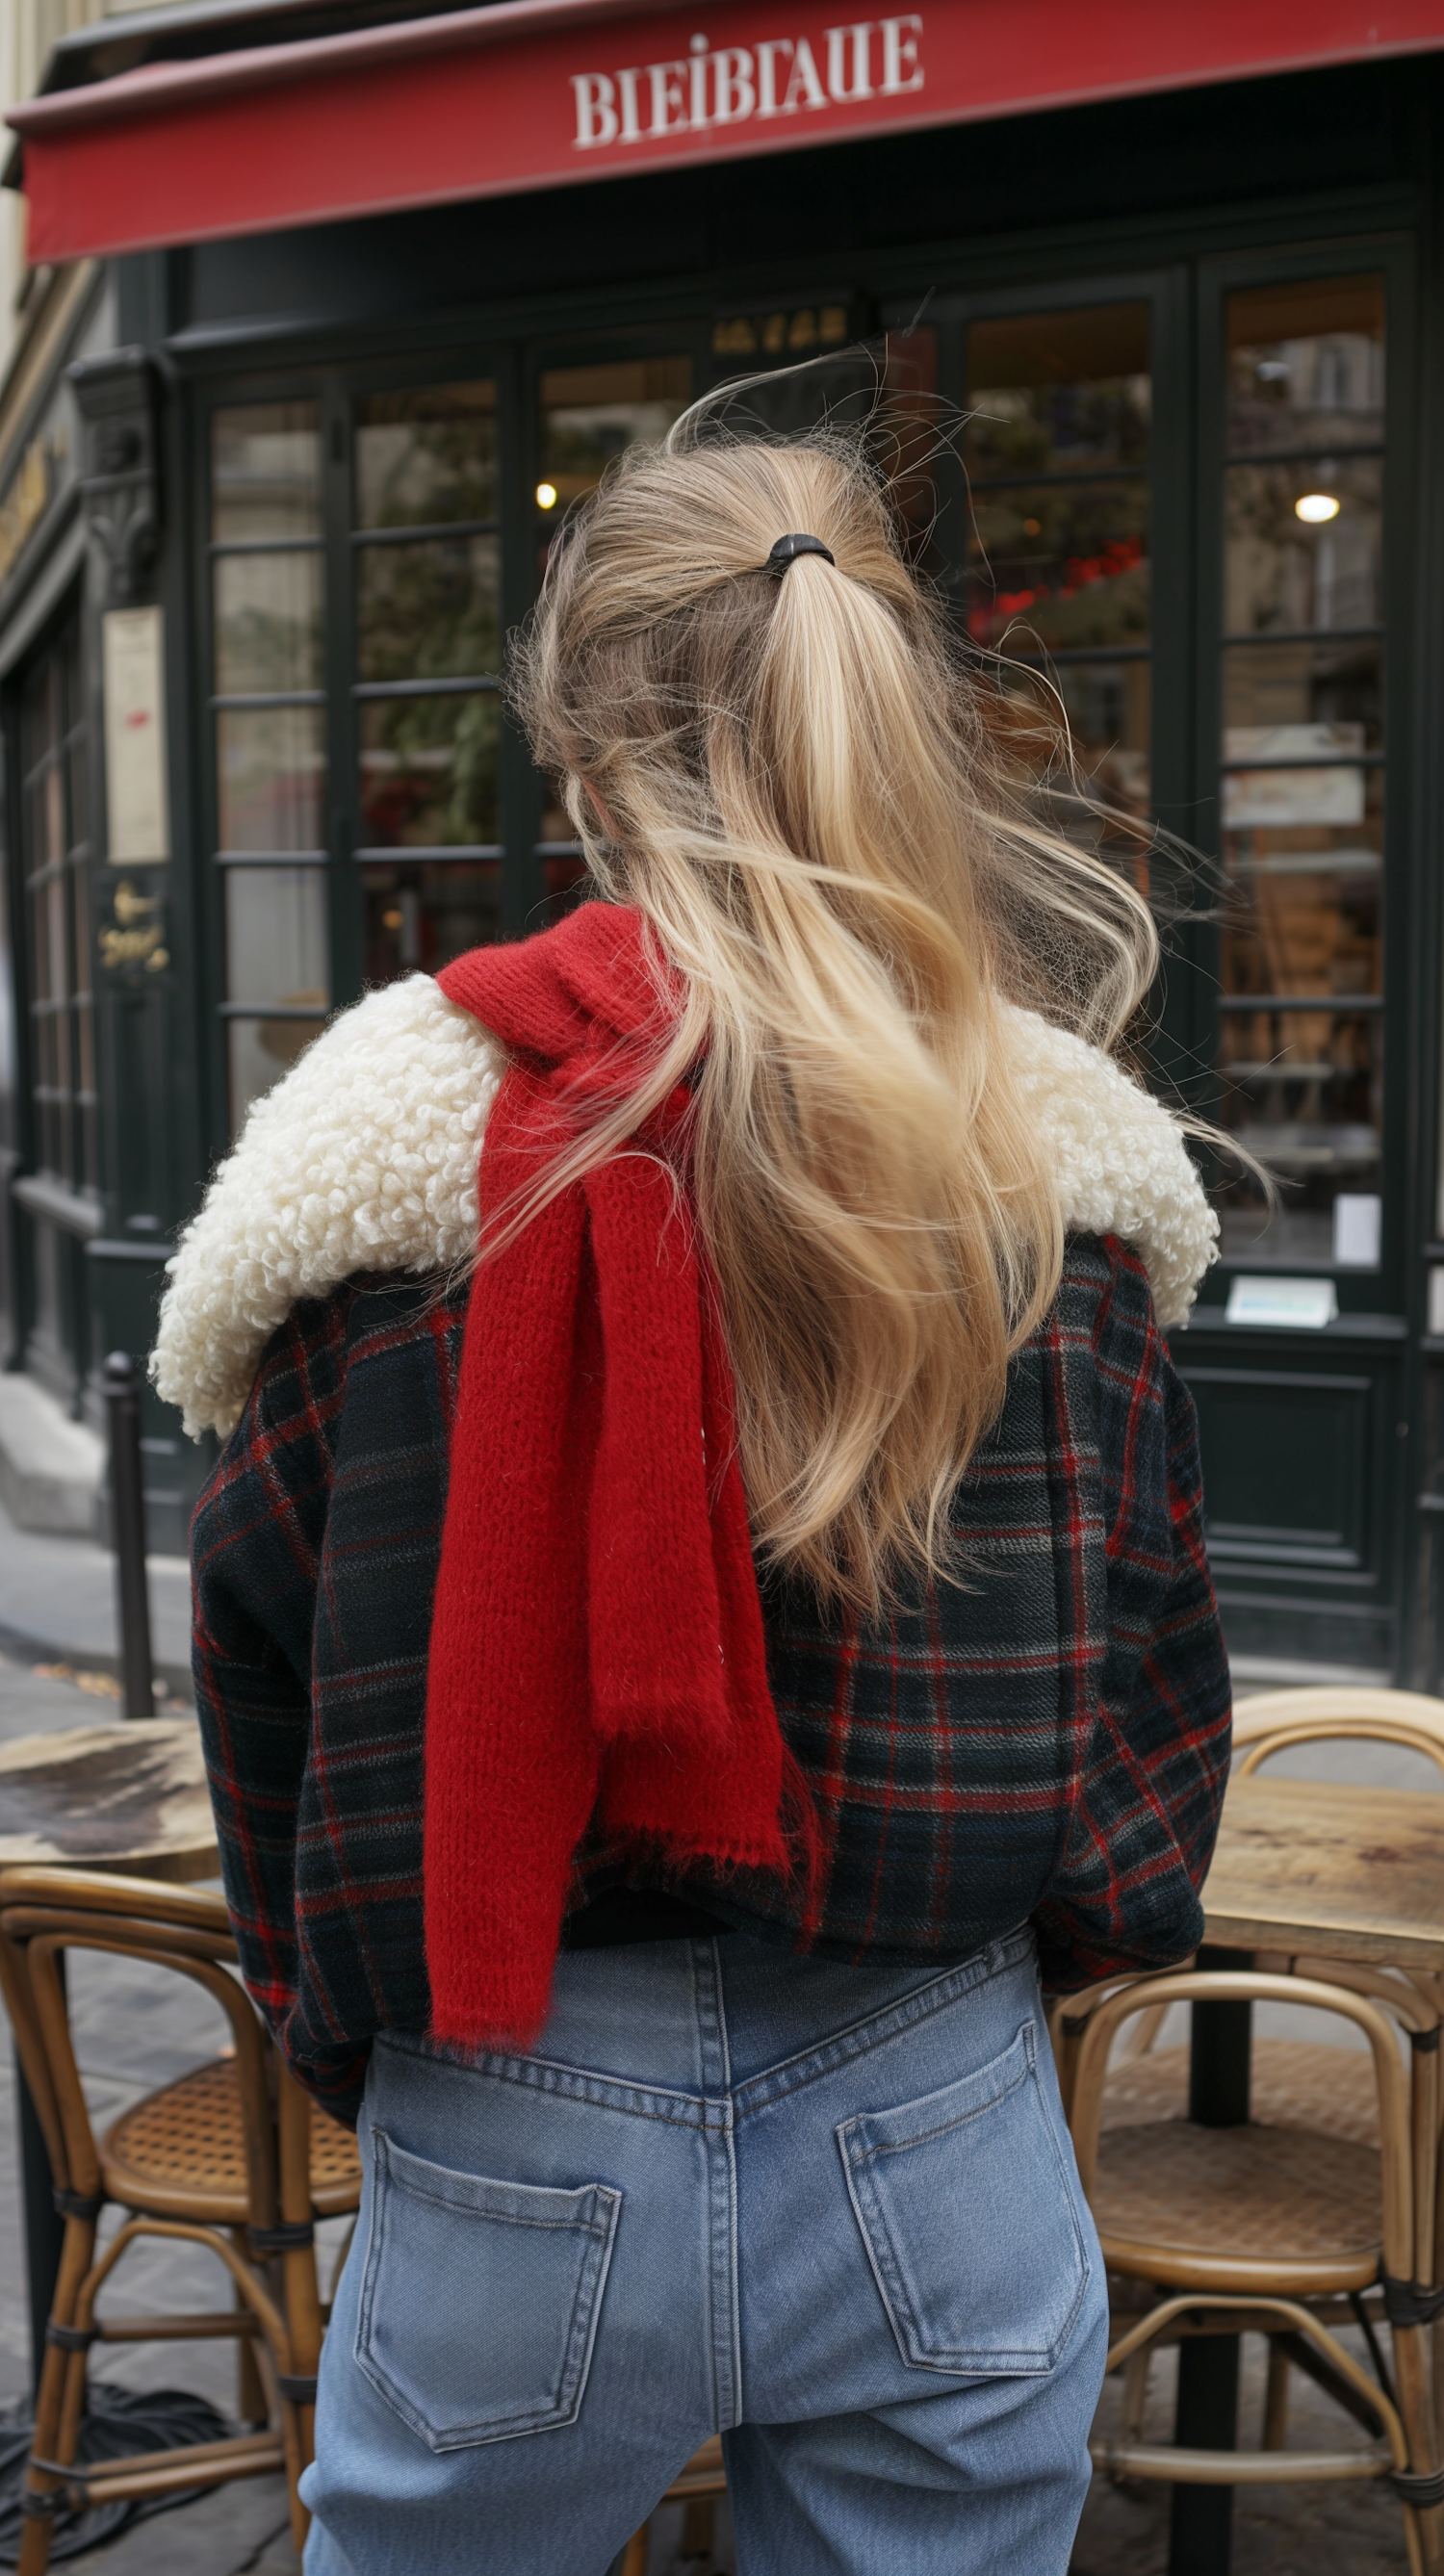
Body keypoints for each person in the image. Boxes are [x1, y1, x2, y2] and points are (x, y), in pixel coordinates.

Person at [155, 412, 1230, 2576]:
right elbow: (1155, 1694)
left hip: (511, 2077)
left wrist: (372, 2041)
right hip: (934, 2091)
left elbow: (258, 1665)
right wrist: (1051, 1951)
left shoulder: (385, 1158)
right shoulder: (1048, 1171)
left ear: (578, 753)